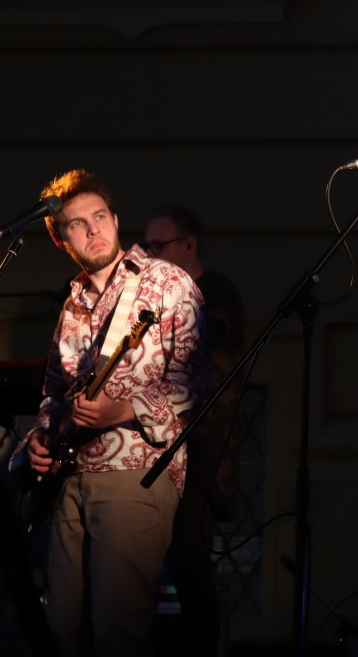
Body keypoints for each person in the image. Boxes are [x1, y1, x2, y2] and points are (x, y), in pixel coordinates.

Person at [9, 169, 208, 657]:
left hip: (135, 470)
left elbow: (193, 382)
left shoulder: (166, 282)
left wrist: (123, 409)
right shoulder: (72, 304)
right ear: (61, 239)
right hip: (68, 476)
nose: (93, 230)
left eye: (99, 217)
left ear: (116, 220)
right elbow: (54, 395)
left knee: (118, 633)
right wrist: (38, 439)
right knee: (62, 632)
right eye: (77, 224)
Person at [143, 206, 246, 656]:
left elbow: (198, 349)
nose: (151, 255)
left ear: (189, 244)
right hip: (161, 451)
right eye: (147, 246)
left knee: (189, 563)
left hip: (199, 454)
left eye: (158, 245)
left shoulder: (214, 293)